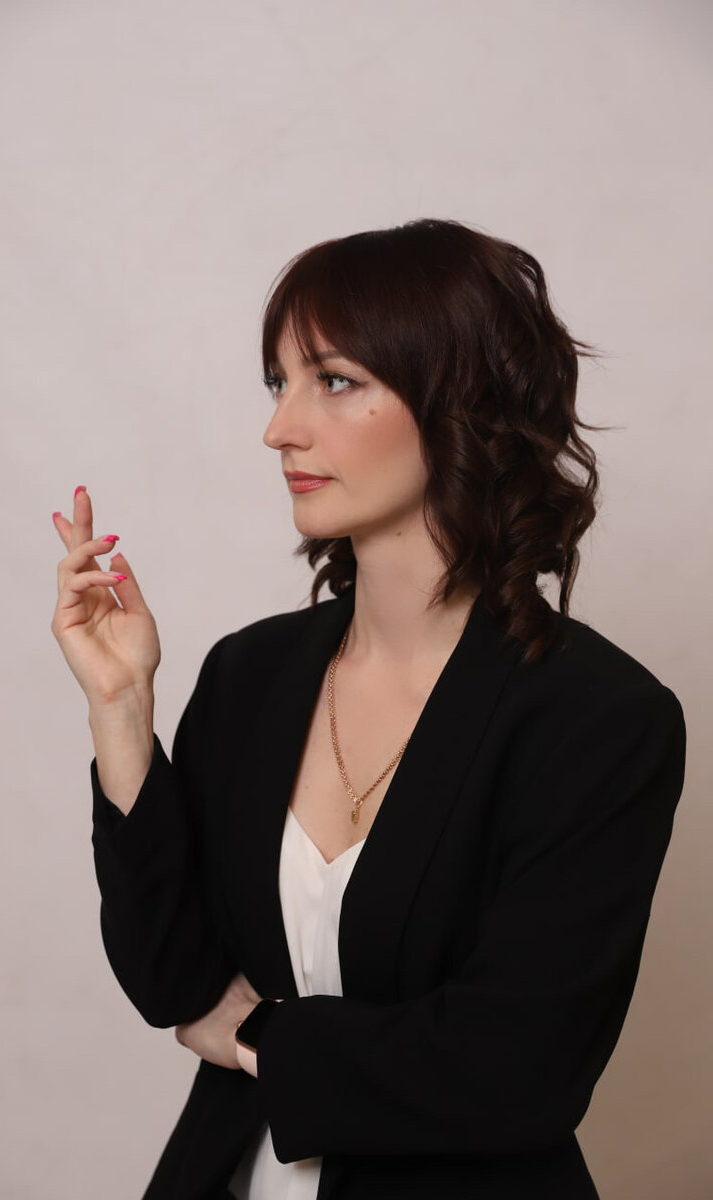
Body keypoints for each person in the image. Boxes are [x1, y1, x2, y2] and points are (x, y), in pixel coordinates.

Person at [50, 218, 687, 1200]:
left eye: (335, 381)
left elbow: (517, 1070)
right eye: (279, 383)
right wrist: (122, 708)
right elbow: (172, 979)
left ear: (459, 399)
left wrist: (257, 1037)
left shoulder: (598, 720)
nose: (279, 429)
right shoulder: (249, 673)